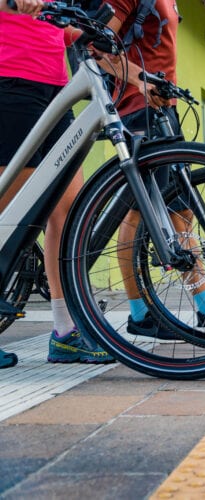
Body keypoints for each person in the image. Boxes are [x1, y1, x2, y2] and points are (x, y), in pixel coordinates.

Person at [100, 0, 205, 340]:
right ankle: (139, 313)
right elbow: (100, 46)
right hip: (136, 109)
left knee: (181, 210)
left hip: (163, 111)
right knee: (138, 212)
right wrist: (142, 82)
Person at [0, 0, 114, 365]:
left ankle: (65, 332)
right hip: (10, 78)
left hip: (55, 86)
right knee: (8, 209)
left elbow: (60, 32)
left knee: (68, 212)